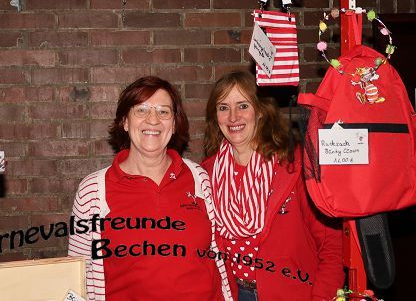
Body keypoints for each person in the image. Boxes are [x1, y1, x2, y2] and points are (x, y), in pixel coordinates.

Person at [68, 76, 232, 301]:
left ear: (174, 124)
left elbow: (217, 257)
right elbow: (77, 276)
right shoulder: (93, 191)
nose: (153, 120)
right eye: (141, 110)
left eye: (164, 112)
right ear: (125, 122)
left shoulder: (198, 178)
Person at [201, 71, 343, 301]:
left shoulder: (294, 165)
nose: (233, 117)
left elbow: (331, 248)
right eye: (223, 107)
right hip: (234, 295)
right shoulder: (206, 173)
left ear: (260, 111)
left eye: (243, 105)